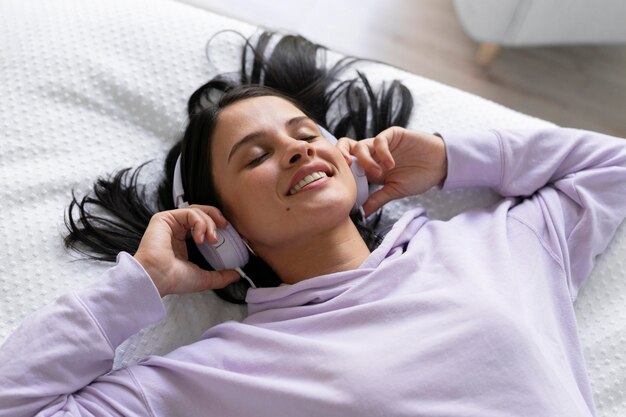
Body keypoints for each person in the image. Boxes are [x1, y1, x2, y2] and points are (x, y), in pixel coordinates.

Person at [1, 31, 625, 417]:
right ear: (223, 229)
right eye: (256, 156)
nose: (298, 150)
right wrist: (140, 284)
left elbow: (613, 166)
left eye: (306, 134)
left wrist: (447, 159)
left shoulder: (498, 244)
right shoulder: (223, 373)